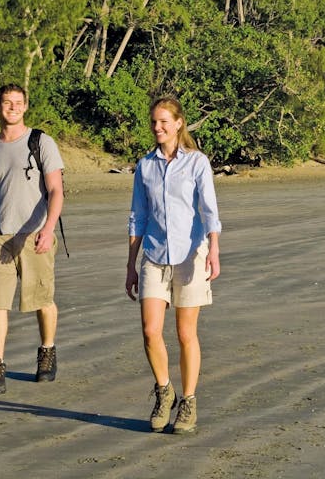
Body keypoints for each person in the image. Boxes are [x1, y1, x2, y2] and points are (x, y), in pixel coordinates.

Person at [126, 95, 222, 434]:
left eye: (164, 121)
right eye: (154, 122)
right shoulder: (145, 166)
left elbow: (209, 210)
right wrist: (130, 265)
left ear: (179, 123)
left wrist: (214, 249)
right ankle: (164, 391)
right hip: (153, 254)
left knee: (185, 333)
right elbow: (137, 216)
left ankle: (189, 402)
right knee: (151, 331)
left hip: (190, 256)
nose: (158, 127)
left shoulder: (196, 163)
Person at [0, 83, 65, 397]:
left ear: (25, 106)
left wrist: (48, 228)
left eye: (17, 103)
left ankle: (47, 350)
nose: (12, 107)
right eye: (6, 102)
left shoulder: (41, 142)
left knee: (41, 299)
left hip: (35, 232)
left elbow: (56, 191)